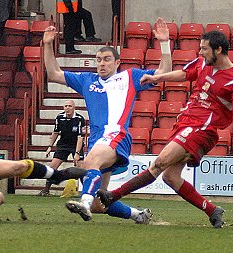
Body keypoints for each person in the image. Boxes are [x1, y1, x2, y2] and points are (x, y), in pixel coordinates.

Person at [97, 30, 233, 228]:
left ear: (219, 49)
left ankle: (113, 195)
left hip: (202, 129)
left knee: (160, 162)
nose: (201, 52)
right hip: (186, 123)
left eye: (204, 48)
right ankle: (212, 210)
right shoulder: (203, 63)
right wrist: (157, 78)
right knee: (170, 177)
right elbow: (184, 74)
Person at [43, 17, 172, 223]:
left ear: (117, 62)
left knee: (90, 163)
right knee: (100, 202)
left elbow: (163, 73)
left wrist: (164, 43)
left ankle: (83, 203)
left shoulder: (129, 77)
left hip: (115, 134)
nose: (102, 64)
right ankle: (138, 215)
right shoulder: (87, 80)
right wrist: (48, 45)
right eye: (99, 60)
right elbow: (53, 73)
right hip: (96, 139)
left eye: (106, 59)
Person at [38, 100, 86, 196]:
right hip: (63, 145)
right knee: (52, 167)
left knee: (81, 168)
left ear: (74, 107)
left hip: (76, 145)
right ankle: (46, 190)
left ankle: (86, 191)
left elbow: (80, 138)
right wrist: (49, 147)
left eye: (70, 106)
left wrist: (77, 154)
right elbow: (55, 132)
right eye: (65, 106)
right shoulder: (59, 117)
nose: (67, 108)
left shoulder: (79, 119)